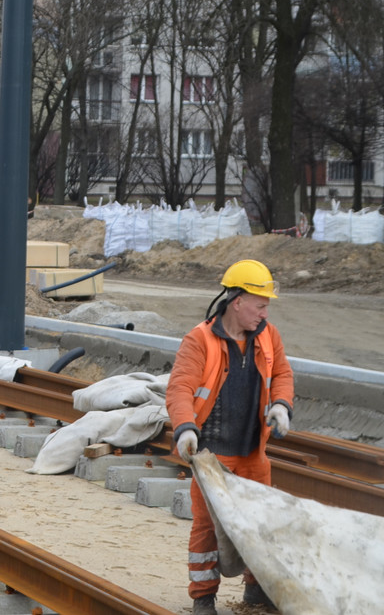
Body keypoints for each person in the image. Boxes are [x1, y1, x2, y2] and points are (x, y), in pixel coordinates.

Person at [165, 259, 294, 615]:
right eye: (260, 304)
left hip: (253, 452)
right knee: (207, 529)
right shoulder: (200, 340)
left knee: (260, 524)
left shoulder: (268, 335)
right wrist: (185, 427)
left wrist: (281, 404)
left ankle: (256, 590)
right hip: (211, 456)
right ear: (237, 301)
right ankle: (203, 598)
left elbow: (282, 373)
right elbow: (180, 389)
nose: (265, 313)